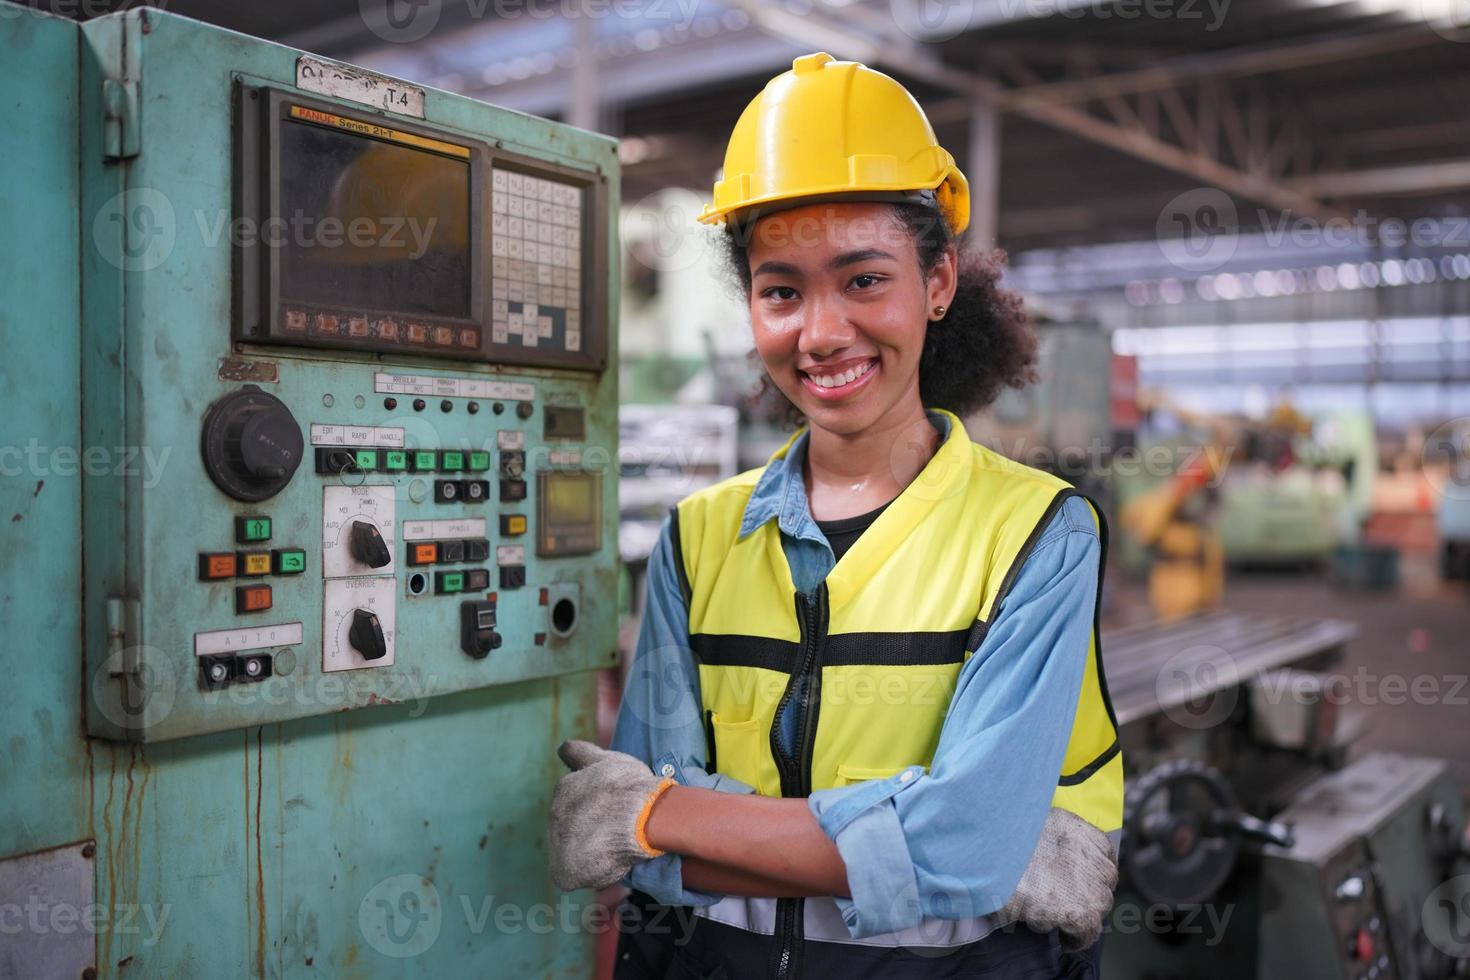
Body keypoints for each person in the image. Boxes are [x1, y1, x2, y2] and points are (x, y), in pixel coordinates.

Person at [550, 51, 1122, 979]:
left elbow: (963, 846)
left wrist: (659, 812)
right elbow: (657, 880)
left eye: (863, 280)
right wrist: (911, 840)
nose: (819, 333)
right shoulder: (696, 540)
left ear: (937, 284)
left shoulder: (1040, 536)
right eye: (782, 291)